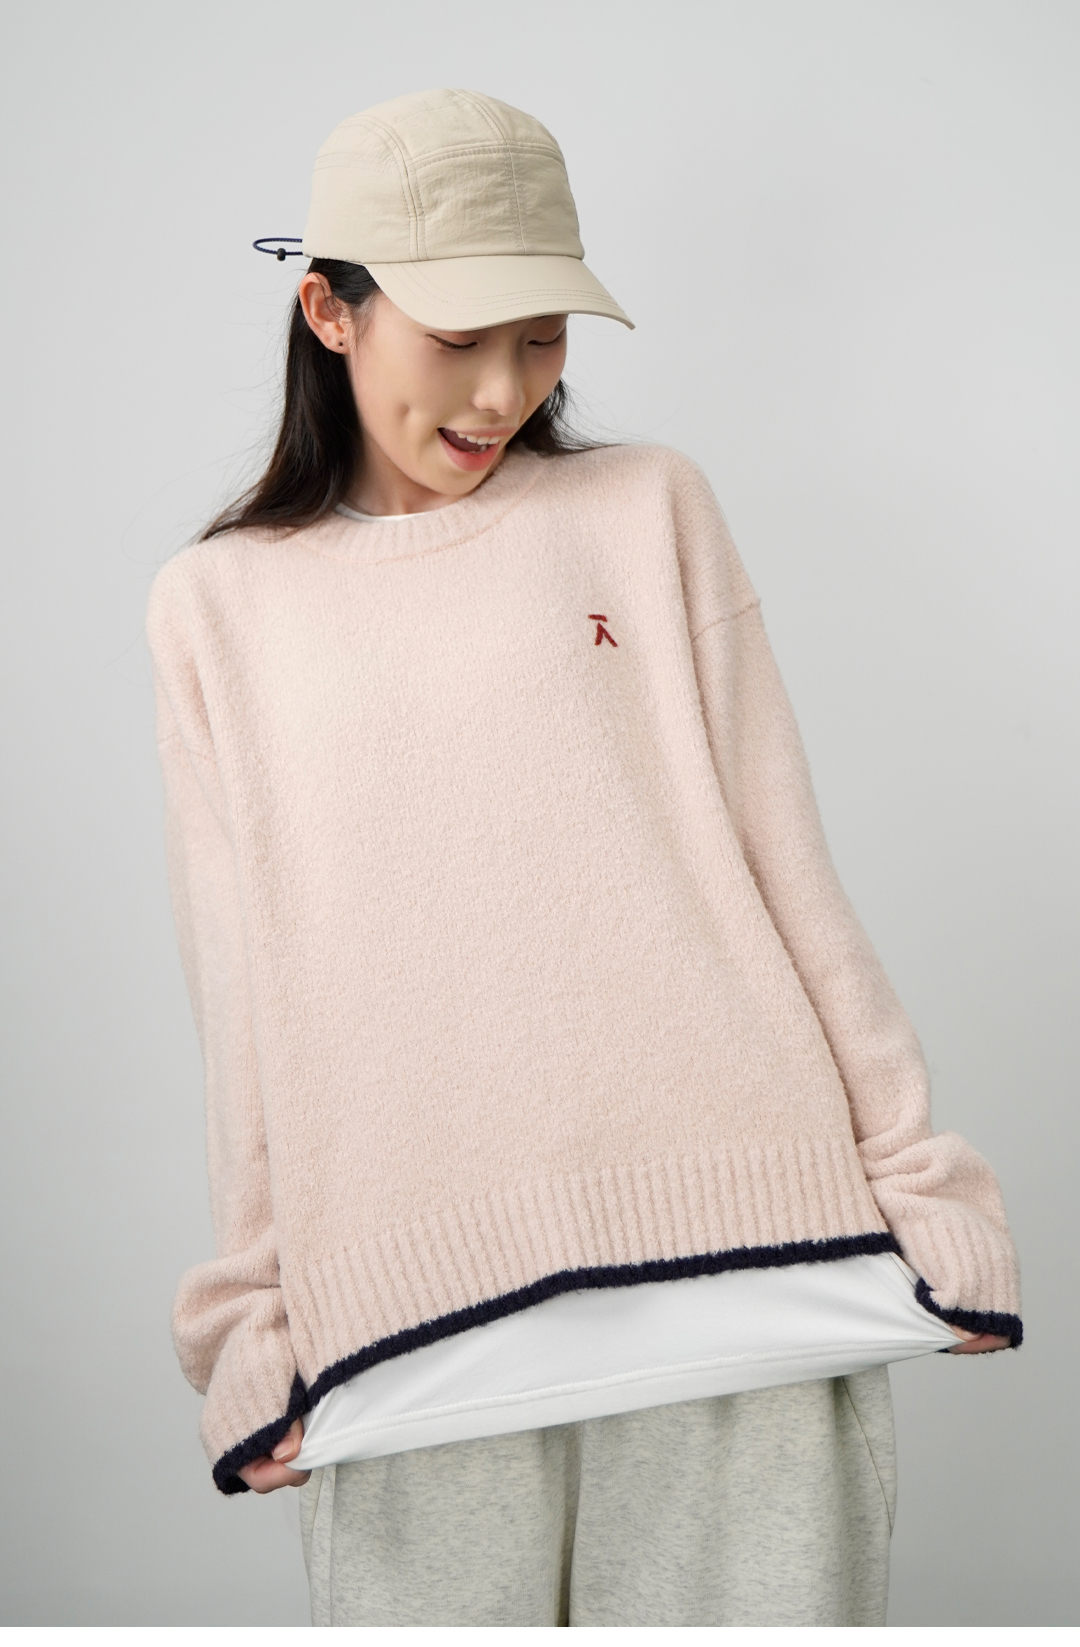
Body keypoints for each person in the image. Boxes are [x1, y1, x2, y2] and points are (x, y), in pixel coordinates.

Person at [147, 88, 1021, 1627]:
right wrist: (255, 1318)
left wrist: (923, 1187)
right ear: (330, 312)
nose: (502, 390)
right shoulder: (219, 607)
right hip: (410, 1315)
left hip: (753, 1267)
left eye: (543, 336)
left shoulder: (647, 509)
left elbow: (784, 867)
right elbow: (246, 997)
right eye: (457, 337)